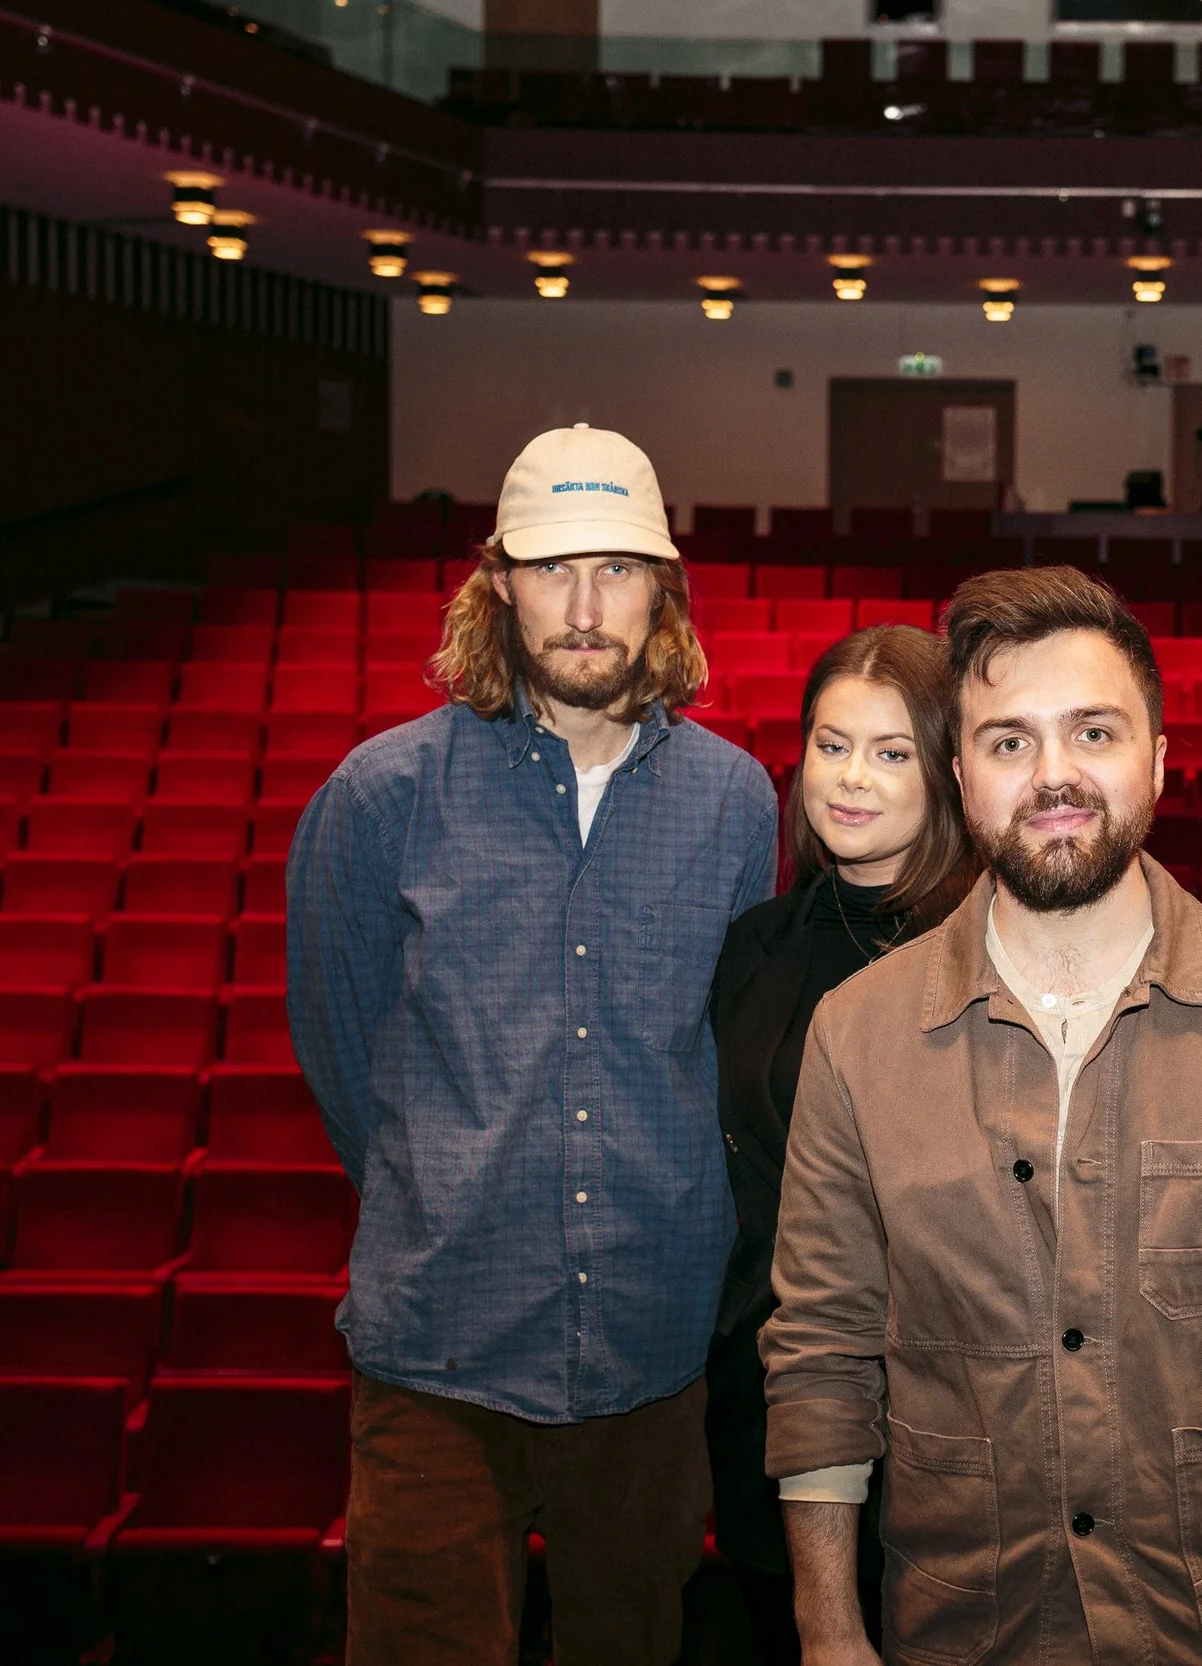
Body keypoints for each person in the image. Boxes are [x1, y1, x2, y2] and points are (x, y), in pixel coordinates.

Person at [760, 566, 1202, 1666]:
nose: (1055, 773)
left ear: (1160, 761)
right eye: (1009, 741)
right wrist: (828, 1627)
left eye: (1094, 731)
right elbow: (821, 1354)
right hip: (964, 1629)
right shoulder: (855, 1031)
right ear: (961, 772)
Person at [286, 424, 778, 1666]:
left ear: (662, 586)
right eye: (554, 569)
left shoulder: (734, 800)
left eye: (617, 568)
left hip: (652, 1342)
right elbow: (345, 1056)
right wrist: (449, 1191)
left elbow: (724, 1047)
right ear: (497, 580)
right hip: (439, 1342)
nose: (585, 605)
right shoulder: (380, 794)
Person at [705, 625, 978, 1664]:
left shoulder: (993, 943)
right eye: (831, 744)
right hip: (772, 1402)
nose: (850, 779)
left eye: (890, 751)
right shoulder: (757, 946)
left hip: (948, 1417)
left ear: (948, 770)